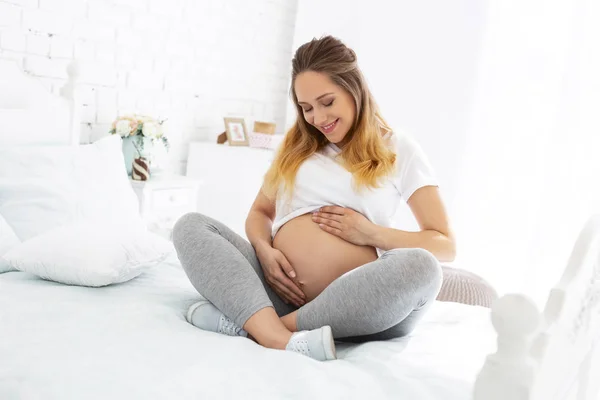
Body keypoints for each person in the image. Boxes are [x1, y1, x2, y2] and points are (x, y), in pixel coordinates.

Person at [173, 35, 455, 362]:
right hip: (278, 292)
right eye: (306, 108)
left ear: (354, 89)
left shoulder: (397, 148)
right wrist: (264, 251)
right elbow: (260, 213)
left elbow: (445, 244)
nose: (318, 119)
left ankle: (263, 328)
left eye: (327, 102)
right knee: (190, 226)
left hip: (357, 308)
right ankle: (278, 335)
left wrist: (370, 234)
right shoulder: (297, 147)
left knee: (423, 268)